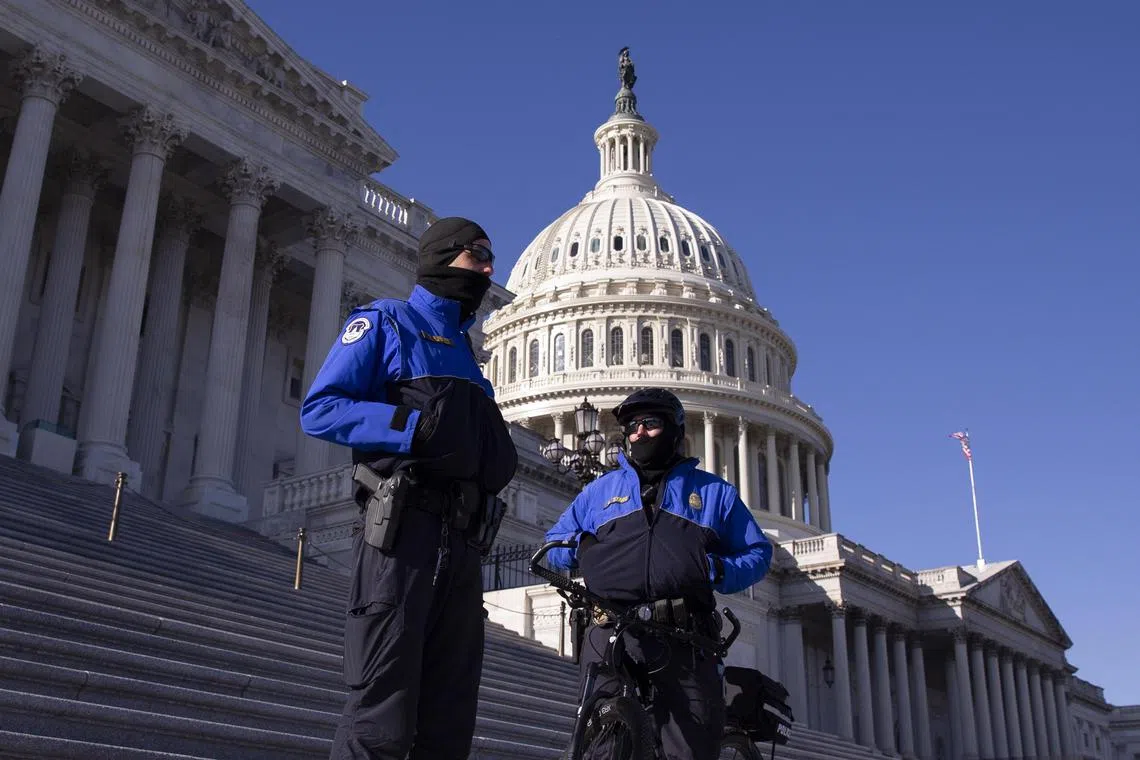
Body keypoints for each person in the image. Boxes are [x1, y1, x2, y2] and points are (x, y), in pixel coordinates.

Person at [299, 216, 518, 760]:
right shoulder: (386, 322)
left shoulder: (467, 351)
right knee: (382, 709)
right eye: (477, 254)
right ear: (442, 257)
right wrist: (409, 427)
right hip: (403, 536)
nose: (488, 269)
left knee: (449, 717)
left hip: (463, 543)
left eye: (490, 258)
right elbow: (321, 409)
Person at [543, 388, 772, 760]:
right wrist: (583, 550)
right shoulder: (599, 492)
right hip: (611, 627)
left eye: (650, 423)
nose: (639, 433)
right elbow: (554, 542)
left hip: (682, 634)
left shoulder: (713, 493)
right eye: (632, 426)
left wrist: (716, 569)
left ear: (675, 431)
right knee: (602, 743)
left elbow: (758, 553)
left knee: (688, 747)